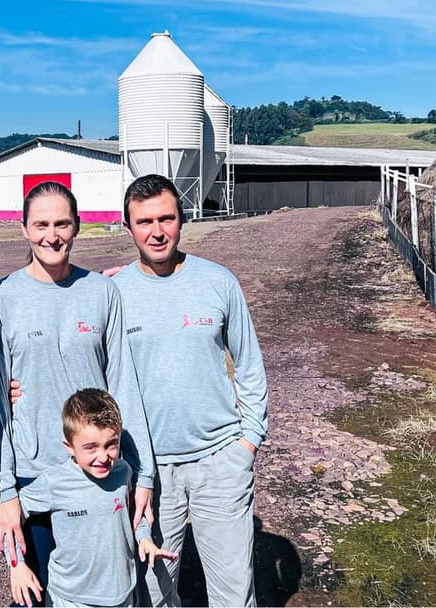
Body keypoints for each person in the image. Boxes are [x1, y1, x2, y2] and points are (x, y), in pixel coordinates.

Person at [0, 181, 156, 605]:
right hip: (35, 470)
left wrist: (144, 473)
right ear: (24, 229)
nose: (52, 235)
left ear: (77, 226)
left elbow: (123, 384)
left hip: (97, 467)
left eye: (62, 223)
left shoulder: (102, 292)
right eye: (41, 224)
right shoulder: (3, 300)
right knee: (39, 591)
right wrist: (5, 491)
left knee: (99, 587)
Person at [112, 174, 269, 607]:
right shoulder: (114, 293)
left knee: (234, 593)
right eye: (144, 222)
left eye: (166, 218)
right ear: (128, 228)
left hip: (220, 461)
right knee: (155, 593)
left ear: (183, 219)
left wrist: (248, 443)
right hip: (149, 472)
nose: (156, 231)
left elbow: (250, 365)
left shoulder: (218, 282)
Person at [7, 389, 176, 608]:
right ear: (69, 447)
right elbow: (9, 521)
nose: (103, 457)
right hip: (71, 600)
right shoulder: (53, 482)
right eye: (90, 448)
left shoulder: (124, 472)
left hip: (124, 595)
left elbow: (133, 512)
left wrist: (144, 538)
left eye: (111, 444)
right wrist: (16, 565)